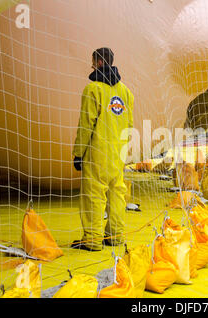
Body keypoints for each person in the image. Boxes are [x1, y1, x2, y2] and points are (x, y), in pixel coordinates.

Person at [71, 48, 134, 251]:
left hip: (97, 153)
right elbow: (129, 126)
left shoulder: (93, 90)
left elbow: (85, 125)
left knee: (94, 195)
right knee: (117, 195)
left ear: (98, 63)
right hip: (118, 154)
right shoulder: (126, 93)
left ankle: (92, 239)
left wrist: (78, 153)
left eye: (92, 62)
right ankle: (115, 237)